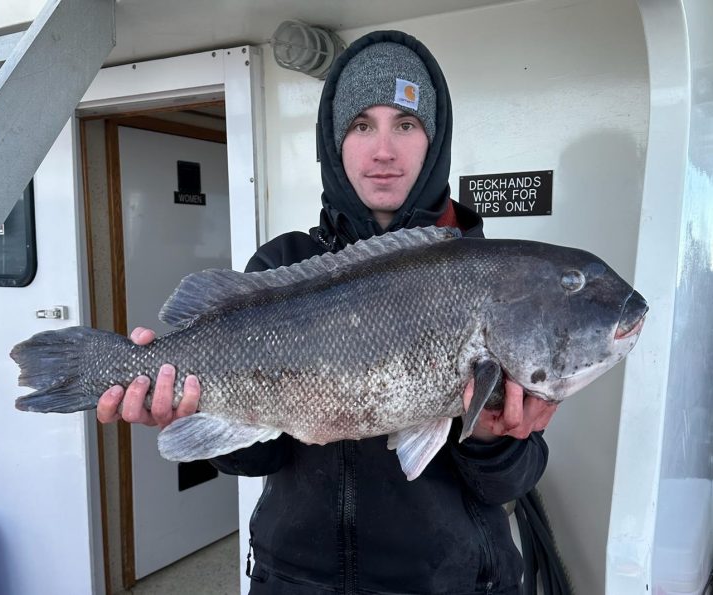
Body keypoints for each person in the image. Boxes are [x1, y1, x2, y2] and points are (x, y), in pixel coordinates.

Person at [97, 30, 558, 595]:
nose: (383, 150)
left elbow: (509, 484)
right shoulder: (281, 264)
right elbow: (259, 459)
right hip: (293, 580)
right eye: (362, 125)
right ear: (333, 143)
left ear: (434, 141)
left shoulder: (485, 275)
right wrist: (187, 409)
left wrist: (491, 439)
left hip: (451, 582)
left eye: (405, 125)